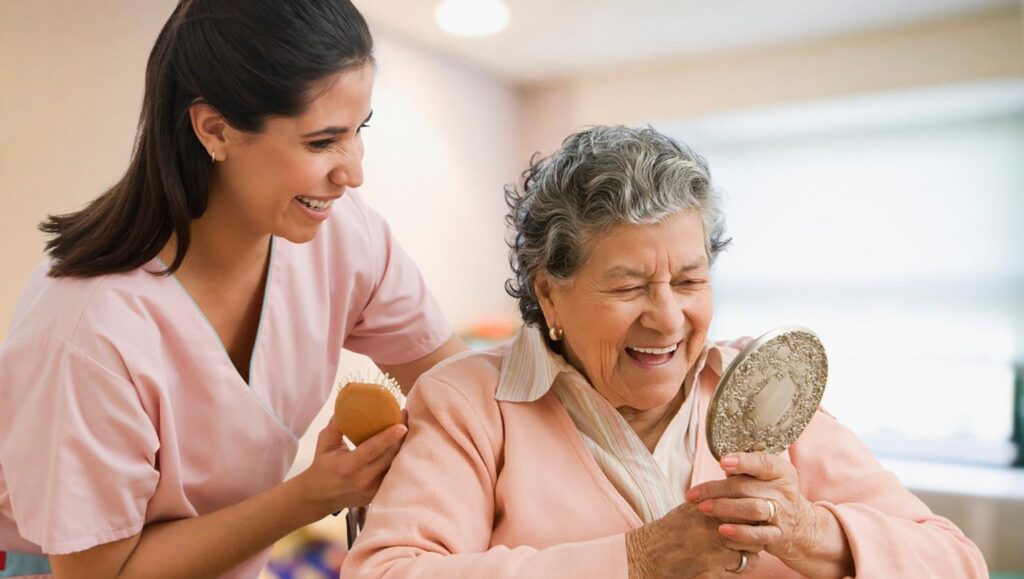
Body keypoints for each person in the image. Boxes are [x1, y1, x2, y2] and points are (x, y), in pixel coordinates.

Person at [340, 126, 988, 578]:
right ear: (550, 293)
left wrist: (805, 531)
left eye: (690, 280)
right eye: (628, 286)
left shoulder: (760, 387)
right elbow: (388, 572)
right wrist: (636, 560)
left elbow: (958, 564)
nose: (669, 317)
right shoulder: (469, 404)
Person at [0, 1, 464, 577]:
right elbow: (98, 573)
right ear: (215, 129)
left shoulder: (345, 236)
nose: (353, 173)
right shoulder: (84, 330)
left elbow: (456, 389)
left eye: (358, 131)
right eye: (322, 142)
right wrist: (310, 496)